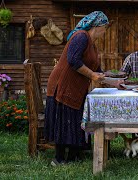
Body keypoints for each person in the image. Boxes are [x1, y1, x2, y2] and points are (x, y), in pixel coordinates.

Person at [44, 11, 110, 166]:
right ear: (97, 26)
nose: (105, 31)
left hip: (76, 88)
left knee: (75, 119)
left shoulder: (91, 44)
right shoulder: (81, 36)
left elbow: (97, 69)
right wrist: (93, 76)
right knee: (65, 119)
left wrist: (114, 81)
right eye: (105, 27)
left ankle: (73, 156)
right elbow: (73, 60)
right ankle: (59, 159)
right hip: (63, 85)